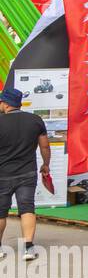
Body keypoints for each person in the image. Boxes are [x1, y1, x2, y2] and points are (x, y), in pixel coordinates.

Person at [0, 87, 51, 261]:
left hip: (2, 174)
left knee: (1, 212)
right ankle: (28, 247)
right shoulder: (35, 120)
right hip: (27, 173)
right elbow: (44, 146)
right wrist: (46, 165)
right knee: (27, 208)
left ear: (6, 104)